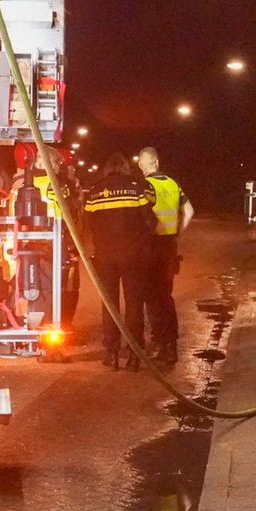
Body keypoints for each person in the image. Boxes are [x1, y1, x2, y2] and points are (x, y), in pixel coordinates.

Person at [84, 153, 156, 370]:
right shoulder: (135, 188)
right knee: (134, 303)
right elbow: (150, 221)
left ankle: (112, 352)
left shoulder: (95, 191)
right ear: (125, 168)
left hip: (105, 255)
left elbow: (88, 223)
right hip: (133, 254)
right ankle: (135, 354)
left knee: (110, 303)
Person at [137, 146, 194, 363]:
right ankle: (171, 343)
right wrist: (178, 234)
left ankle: (160, 343)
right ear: (158, 163)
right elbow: (189, 212)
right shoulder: (173, 183)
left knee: (153, 298)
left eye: (141, 164)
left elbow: (141, 215)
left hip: (151, 246)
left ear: (144, 164)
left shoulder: (146, 186)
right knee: (166, 295)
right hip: (169, 246)